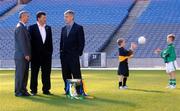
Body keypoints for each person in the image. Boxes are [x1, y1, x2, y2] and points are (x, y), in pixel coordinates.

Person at [60, 10, 85, 94]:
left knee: (76, 74)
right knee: (66, 74)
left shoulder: (78, 28)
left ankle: (79, 91)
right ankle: (68, 91)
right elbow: (61, 42)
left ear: (72, 17)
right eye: (64, 16)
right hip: (64, 56)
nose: (65, 18)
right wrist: (61, 53)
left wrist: (78, 53)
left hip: (73, 56)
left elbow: (82, 42)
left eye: (66, 16)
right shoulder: (63, 28)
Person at [29, 11, 53, 95]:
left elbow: (50, 42)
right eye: (44, 18)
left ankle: (46, 89)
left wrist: (50, 53)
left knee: (46, 73)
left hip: (46, 56)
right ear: (38, 18)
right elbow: (30, 42)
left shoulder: (48, 28)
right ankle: (33, 90)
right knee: (34, 73)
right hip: (35, 56)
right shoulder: (32, 28)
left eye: (45, 18)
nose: (45, 19)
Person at [14, 11, 31, 97]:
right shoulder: (20, 27)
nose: (28, 18)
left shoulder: (23, 27)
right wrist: (26, 54)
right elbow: (22, 42)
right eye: (27, 16)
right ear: (22, 17)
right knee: (20, 74)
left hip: (24, 55)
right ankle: (18, 91)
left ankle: (23, 90)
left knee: (25, 74)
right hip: (21, 56)